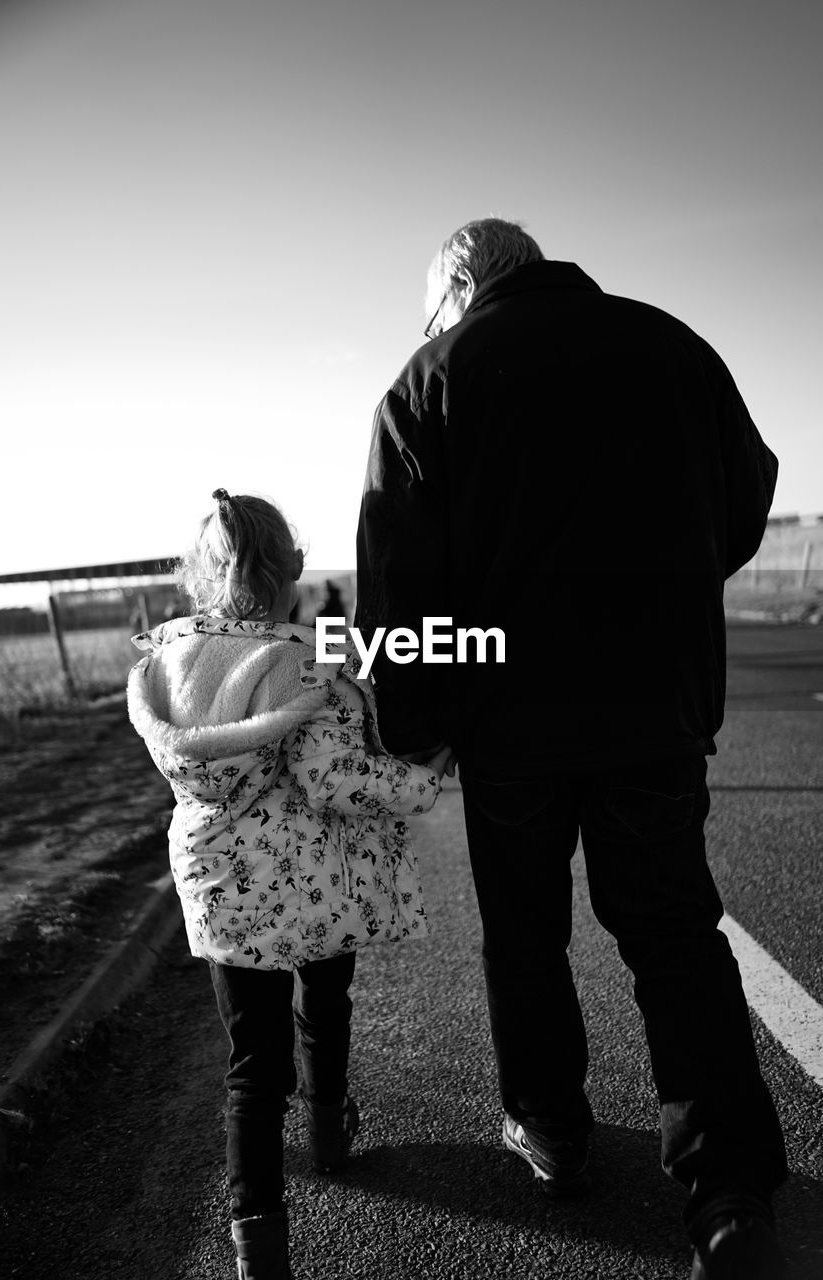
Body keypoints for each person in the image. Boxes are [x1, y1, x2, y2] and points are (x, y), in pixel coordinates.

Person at [355, 219, 788, 1279]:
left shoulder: (428, 382)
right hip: (654, 702)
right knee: (674, 929)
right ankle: (727, 1189)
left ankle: (551, 1127)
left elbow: (397, 584)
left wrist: (413, 722)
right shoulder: (671, 346)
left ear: (459, 286)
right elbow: (741, 503)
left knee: (525, 933)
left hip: (511, 719)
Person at [128, 488, 451, 1280]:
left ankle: (256, 1243)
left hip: (217, 883)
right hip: (312, 884)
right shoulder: (304, 661)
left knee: (250, 1062)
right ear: (296, 568)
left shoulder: (164, 661)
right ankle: (330, 1129)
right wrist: (425, 779)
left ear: (197, 574)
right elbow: (331, 778)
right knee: (325, 1004)